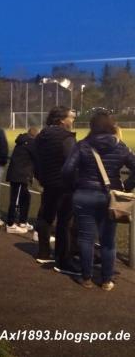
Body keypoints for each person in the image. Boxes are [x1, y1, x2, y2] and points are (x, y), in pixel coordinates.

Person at [62, 110, 135, 290]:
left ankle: (86, 277)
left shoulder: (82, 145)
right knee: (108, 240)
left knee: (86, 238)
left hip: (84, 194)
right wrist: (126, 186)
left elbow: (67, 170)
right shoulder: (120, 146)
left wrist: (76, 185)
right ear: (112, 125)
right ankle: (107, 280)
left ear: (92, 126)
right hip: (110, 197)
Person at [34, 106, 78, 274]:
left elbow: (36, 160)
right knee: (65, 222)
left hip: (48, 183)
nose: (72, 120)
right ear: (62, 120)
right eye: (71, 117)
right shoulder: (66, 137)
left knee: (46, 217)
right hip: (64, 185)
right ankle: (63, 259)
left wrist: (42, 178)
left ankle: (44, 252)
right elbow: (71, 163)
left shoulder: (40, 136)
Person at [5, 127, 39, 233]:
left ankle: (22, 221)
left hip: (20, 174)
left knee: (26, 197)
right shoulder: (31, 143)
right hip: (20, 175)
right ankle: (10, 224)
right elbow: (37, 159)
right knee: (16, 199)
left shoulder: (23, 141)